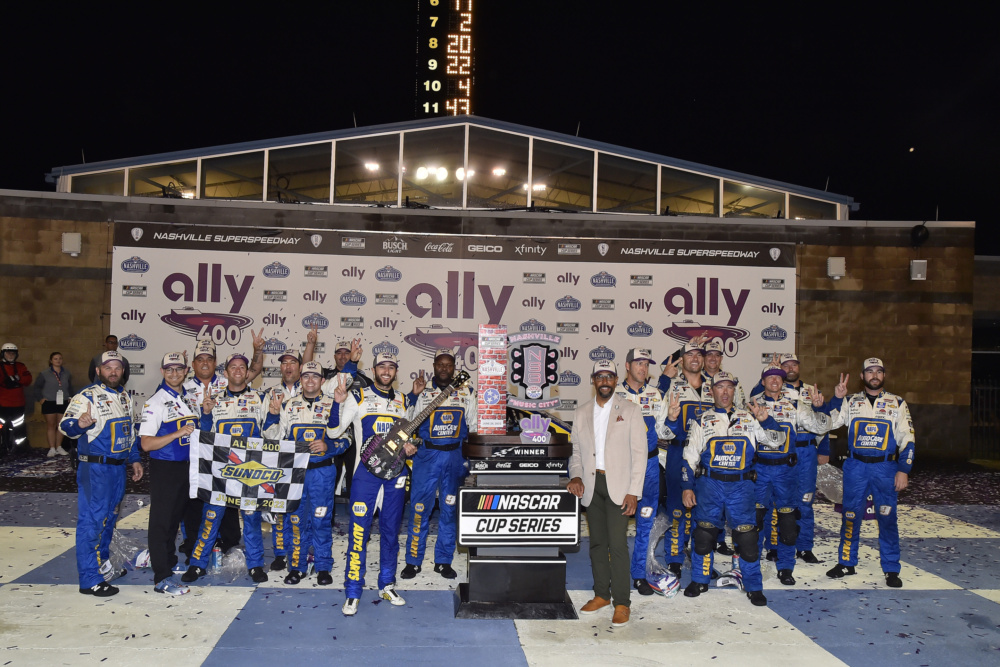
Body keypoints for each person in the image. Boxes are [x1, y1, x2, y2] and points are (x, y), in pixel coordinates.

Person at [666, 370, 781, 607]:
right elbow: (689, 457)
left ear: (734, 390)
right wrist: (687, 487)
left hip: (741, 487)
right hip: (710, 486)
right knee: (703, 535)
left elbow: (777, 440)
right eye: (720, 387)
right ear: (712, 391)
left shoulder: (749, 418)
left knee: (747, 539)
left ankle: (753, 586)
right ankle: (699, 580)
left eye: (729, 387)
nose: (725, 392)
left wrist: (766, 420)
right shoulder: (702, 420)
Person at [327, 351, 416, 617]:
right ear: (374, 370)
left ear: (396, 371)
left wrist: (411, 446)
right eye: (382, 367)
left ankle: (387, 585)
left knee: (390, 533)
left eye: (391, 367)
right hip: (365, 475)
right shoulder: (358, 396)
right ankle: (353, 591)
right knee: (358, 533)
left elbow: (407, 437)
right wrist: (337, 404)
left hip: (395, 476)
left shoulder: (403, 401)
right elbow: (333, 431)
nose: (386, 371)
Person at [568, 360, 647, 627]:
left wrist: (634, 491)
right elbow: (576, 451)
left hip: (620, 488)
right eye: (599, 376)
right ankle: (601, 594)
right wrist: (576, 475)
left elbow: (640, 454)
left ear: (616, 380)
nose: (604, 381)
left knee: (618, 545)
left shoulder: (631, 410)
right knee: (597, 544)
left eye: (609, 376)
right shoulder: (581, 412)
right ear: (593, 380)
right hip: (592, 486)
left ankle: (622, 602)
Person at [183, 352, 272, 585]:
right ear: (225, 372)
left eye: (242, 367)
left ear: (248, 372)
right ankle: (197, 564)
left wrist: (273, 415)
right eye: (233, 367)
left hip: (250, 472)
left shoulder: (260, 399)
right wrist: (205, 414)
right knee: (210, 518)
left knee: (251, 520)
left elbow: (271, 433)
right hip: (221, 472)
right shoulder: (214, 400)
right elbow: (204, 436)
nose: (238, 370)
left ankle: (255, 565)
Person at [59, 350, 143, 597]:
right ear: (98, 371)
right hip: (95, 469)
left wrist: (134, 458)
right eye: (108, 367)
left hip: (118, 469)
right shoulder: (86, 396)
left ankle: (102, 566)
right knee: (92, 522)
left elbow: (130, 431)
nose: (113, 372)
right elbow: (66, 426)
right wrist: (79, 424)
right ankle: (89, 579)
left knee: (108, 520)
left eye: (117, 367)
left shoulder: (124, 395)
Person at [825, 358, 914, 588]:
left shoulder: (897, 402)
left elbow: (908, 438)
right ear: (862, 376)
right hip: (856, 467)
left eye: (878, 371)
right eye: (870, 371)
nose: (874, 375)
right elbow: (830, 423)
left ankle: (891, 568)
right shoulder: (851, 401)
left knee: (887, 518)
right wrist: (837, 398)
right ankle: (846, 562)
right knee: (850, 516)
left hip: (885, 468)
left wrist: (903, 470)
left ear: (884, 375)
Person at [264, 361, 345, 586]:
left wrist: (329, 446)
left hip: (323, 473)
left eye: (315, 376)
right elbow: (273, 438)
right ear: (300, 380)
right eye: (306, 376)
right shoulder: (288, 405)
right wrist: (272, 415)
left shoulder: (334, 404)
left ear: (322, 381)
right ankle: (297, 567)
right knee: (296, 521)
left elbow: (346, 438)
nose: (310, 380)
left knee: (321, 520)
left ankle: (323, 566)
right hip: (295, 475)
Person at [749, 364, 831, 586]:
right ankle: (751, 565)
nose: (775, 381)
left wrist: (820, 408)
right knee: (755, 520)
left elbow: (821, 427)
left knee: (787, 522)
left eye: (779, 377)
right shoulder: (752, 405)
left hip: (786, 471)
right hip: (760, 470)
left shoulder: (795, 405)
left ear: (783, 382)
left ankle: (786, 567)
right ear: (763, 381)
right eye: (770, 377)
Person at [401, 348, 476, 580]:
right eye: (440, 364)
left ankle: (443, 561)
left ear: (454, 367)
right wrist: (413, 395)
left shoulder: (466, 392)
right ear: (434, 365)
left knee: (449, 511)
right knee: (418, 510)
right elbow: (406, 423)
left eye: (449, 364)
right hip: (427, 458)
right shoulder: (423, 392)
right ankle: (413, 561)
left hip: (454, 459)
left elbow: (473, 427)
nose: (444, 368)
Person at [138, 352, 199, 596]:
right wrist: (176, 434)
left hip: (187, 467)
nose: (174, 373)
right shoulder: (156, 402)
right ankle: (161, 577)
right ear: (163, 372)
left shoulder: (188, 397)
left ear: (186, 371)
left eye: (179, 369)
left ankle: (169, 562)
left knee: (175, 520)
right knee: (161, 522)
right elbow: (146, 444)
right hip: (166, 467)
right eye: (169, 369)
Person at [180, 338, 241, 559]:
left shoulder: (228, 383)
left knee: (227, 498)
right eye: (200, 359)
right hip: (192, 454)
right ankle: (193, 541)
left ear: (216, 362)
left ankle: (229, 541)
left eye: (209, 359)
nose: (205, 363)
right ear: (193, 364)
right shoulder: (182, 387)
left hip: (223, 454)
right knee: (194, 500)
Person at [654, 341, 710, 577]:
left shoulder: (715, 387)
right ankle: (675, 559)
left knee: (705, 512)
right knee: (677, 510)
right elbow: (660, 426)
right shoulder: (672, 386)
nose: (695, 358)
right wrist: (672, 420)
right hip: (678, 454)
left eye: (699, 354)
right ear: (682, 359)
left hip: (709, 458)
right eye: (690, 355)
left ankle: (700, 557)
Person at [611, 348, 664, 596]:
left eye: (646, 364)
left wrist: (672, 420)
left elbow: (664, 432)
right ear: (627, 366)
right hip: (622, 467)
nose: (643, 368)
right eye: (638, 363)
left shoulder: (655, 395)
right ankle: (614, 573)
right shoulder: (614, 394)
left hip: (650, 467)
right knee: (616, 525)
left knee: (645, 522)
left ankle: (639, 575)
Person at [307, 331, 371, 501]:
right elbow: (306, 368)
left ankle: (353, 506)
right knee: (331, 470)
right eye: (339, 353)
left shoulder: (364, 380)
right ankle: (328, 507)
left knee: (353, 471)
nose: (343, 356)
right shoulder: (325, 377)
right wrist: (311, 345)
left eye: (346, 353)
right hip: (329, 430)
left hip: (352, 433)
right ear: (334, 356)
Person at [259, 349, 305, 572]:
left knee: (301, 509)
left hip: (304, 460)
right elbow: (264, 430)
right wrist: (273, 415)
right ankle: (279, 553)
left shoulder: (311, 387)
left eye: (293, 362)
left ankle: (301, 549)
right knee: (279, 510)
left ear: (300, 366)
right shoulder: (270, 393)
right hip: (279, 459)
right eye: (284, 363)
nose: (288, 366)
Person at [34, 352, 73, 458]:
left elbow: (69, 387)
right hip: (49, 402)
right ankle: (52, 448)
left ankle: (59, 446)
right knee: (51, 425)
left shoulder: (66, 373)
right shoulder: (44, 373)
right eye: (55, 359)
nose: (58, 360)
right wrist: (40, 399)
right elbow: (37, 387)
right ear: (51, 361)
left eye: (60, 358)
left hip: (63, 401)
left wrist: (70, 397)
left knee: (61, 425)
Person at [1, 342, 32, 456]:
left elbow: (28, 380)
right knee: (1, 427)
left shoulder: (20, 366)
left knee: (19, 428)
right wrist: (15, 379)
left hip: (18, 404)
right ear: (3, 354)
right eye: (8, 353)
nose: (10, 355)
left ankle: (21, 449)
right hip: (2, 404)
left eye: (13, 353)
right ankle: (3, 447)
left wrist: (14, 379)